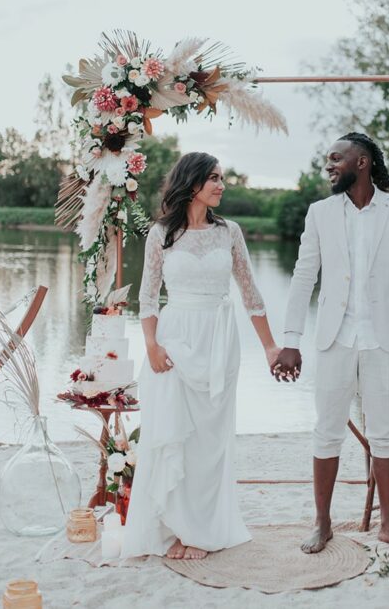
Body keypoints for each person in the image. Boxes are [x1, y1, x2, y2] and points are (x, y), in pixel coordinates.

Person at [121, 151, 280, 561]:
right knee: (172, 434)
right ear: (192, 183)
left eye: (222, 178)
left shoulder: (230, 232)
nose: (221, 185)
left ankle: (202, 530)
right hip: (173, 343)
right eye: (214, 178)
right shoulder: (161, 234)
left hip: (218, 341)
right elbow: (148, 295)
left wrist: (269, 346)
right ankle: (174, 528)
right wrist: (151, 346)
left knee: (209, 441)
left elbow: (250, 294)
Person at [273, 132, 389, 553]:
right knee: (326, 430)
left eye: (337, 158)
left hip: (382, 341)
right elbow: (304, 277)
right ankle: (322, 524)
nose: (330, 165)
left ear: (363, 162)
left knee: (384, 431)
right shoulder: (320, 213)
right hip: (333, 339)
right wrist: (291, 340)